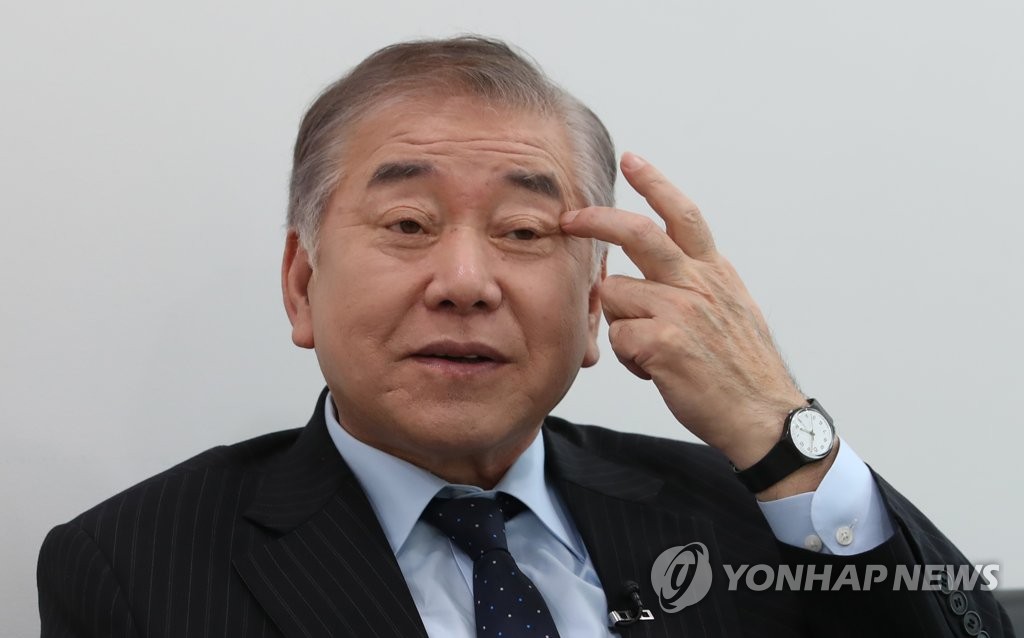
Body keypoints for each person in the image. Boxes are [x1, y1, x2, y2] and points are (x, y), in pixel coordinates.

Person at [37, 36, 1014, 638]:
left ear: (592, 305)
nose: (466, 282)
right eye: (409, 223)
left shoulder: (742, 512)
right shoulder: (133, 566)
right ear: (301, 284)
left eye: (524, 232)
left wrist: (783, 431)